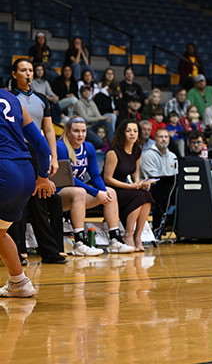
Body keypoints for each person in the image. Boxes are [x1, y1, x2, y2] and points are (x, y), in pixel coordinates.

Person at [0, 88, 56, 297]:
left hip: (3, 170)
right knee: (0, 233)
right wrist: (42, 177)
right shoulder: (12, 99)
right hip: (25, 173)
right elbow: (42, 146)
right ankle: (19, 282)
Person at [9, 59, 62, 264]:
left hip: (37, 151)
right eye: (23, 70)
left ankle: (49, 251)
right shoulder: (9, 97)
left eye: (30, 70)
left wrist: (53, 157)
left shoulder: (42, 98)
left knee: (40, 201)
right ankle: (18, 250)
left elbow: (48, 130)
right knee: (18, 201)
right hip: (16, 151)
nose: (28, 74)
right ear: (14, 74)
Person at [56, 117, 134, 256]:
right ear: (68, 132)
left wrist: (103, 192)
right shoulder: (60, 147)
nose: (80, 135)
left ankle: (115, 239)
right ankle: (79, 242)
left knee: (111, 192)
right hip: (59, 192)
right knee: (79, 192)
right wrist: (95, 192)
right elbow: (68, 179)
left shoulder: (88, 147)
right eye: (76, 131)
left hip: (77, 193)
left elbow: (96, 176)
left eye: (83, 131)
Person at [103, 120, 155, 251]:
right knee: (138, 197)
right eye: (128, 131)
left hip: (125, 188)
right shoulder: (113, 152)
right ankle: (128, 235)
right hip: (110, 189)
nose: (132, 134)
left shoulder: (137, 151)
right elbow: (107, 179)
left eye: (135, 131)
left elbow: (135, 173)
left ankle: (138, 237)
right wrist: (131, 186)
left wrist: (140, 183)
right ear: (122, 133)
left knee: (146, 195)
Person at [139, 128, 178, 232]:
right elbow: (154, 179)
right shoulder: (148, 155)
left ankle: (177, 225)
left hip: (168, 189)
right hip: (151, 189)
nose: (164, 139)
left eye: (166, 137)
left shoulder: (173, 156)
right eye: (161, 137)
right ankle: (159, 227)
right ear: (155, 139)